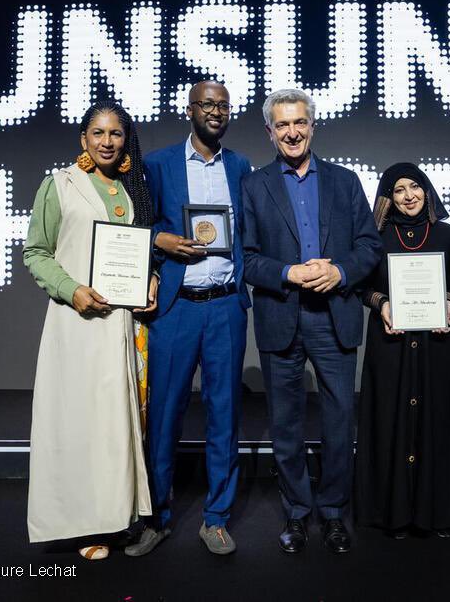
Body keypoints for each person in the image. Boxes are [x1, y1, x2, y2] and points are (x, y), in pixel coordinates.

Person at [242, 88, 383, 554]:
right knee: (285, 424)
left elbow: (369, 247)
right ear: (270, 131)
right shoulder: (254, 185)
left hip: (333, 317)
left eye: (299, 122)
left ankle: (334, 514)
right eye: (282, 125)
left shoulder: (345, 182)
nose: (292, 132)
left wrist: (339, 270)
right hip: (281, 317)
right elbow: (245, 259)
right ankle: (297, 515)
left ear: (312, 125)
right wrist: (288, 272)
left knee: (341, 422)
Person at [23, 101, 158, 561]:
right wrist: (71, 289)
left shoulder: (129, 190)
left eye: (116, 134)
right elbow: (36, 252)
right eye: (98, 133)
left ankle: (115, 517)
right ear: (83, 139)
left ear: (125, 140)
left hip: (121, 326)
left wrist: (149, 281)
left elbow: (135, 255)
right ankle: (82, 524)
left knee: (115, 426)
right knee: (77, 423)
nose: (107, 142)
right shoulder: (59, 185)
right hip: (77, 322)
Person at [124, 81, 252, 557]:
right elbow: (140, 220)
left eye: (222, 105)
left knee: (225, 415)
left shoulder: (240, 166)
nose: (215, 112)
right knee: (163, 417)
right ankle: (156, 517)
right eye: (207, 104)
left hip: (224, 307)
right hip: (175, 308)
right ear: (190, 109)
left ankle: (216, 518)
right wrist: (161, 242)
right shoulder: (157, 164)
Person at [354, 163, 450, 539]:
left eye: (415, 187)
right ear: (387, 198)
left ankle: (439, 513)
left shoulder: (445, 233)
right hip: (390, 342)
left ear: (427, 190)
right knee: (388, 420)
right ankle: (392, 513)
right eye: (398, 190)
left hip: (438, 344)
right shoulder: (373, 237)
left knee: (439, 420)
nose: (408, 196)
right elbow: (361, 286)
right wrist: (382, 304)